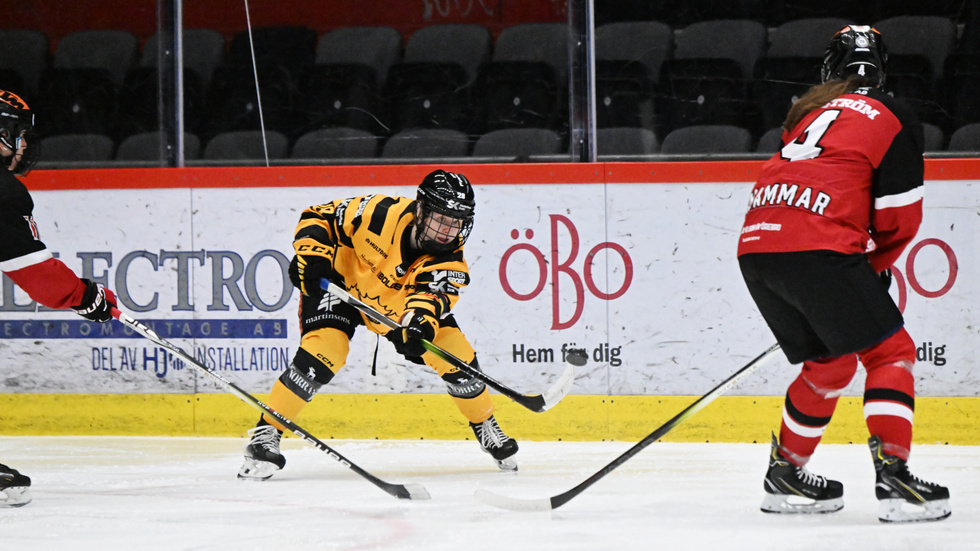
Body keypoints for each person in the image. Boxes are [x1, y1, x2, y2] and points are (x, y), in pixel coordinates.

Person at [737, 26, 950, 523]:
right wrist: (869, 265)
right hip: (816, 245)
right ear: (882, 70)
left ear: (829, 71)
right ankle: (896, 480)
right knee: (891, 352)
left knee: (830, 363)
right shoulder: (893, 113)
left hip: (757, 244)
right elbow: (899, 217)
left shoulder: (806, 114)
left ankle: (785, 474)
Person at [238, 169, 519, 480]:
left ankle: (484, 423)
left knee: (458, 357)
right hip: (339, 287)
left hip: (395, 307)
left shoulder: (449, 261)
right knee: (323, 354)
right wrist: (313, 256)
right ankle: (266, 434)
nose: (447, 231)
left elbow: (428, 301)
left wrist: (418, 328)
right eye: (441, 218)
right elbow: (319, 216)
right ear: (421, 210)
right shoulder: (378, 213)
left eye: (456, 222)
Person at [0, 90, 117, 507]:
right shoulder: (4, 191)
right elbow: (39, 278)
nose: (25, 144)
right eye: (19, 133)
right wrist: (86, 296)